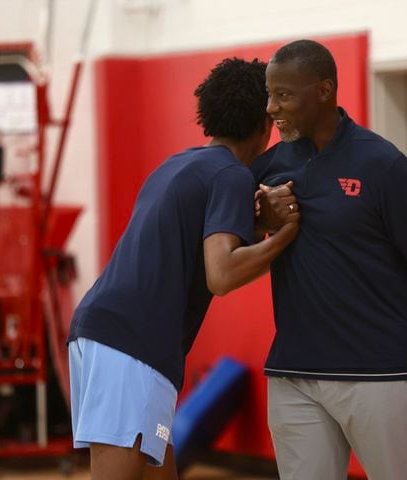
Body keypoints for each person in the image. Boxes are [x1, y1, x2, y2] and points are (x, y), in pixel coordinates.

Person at [66, 58, 299, 480]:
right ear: (263, 124)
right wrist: (283, 238)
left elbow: (196, 238)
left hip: (104, 332)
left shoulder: (181, 164)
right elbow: (222, 273)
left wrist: (257, 223)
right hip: (131, 343)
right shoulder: (231, 176)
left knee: (159, 471)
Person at [251, 39, 407, 480]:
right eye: (269, 94)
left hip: (383, 376)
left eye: (284, 95)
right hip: (294, 377)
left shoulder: (384, 166)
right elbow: (229, 244)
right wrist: (259, 220)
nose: (272, 107)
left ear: (325, 90)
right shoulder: (267, 168)